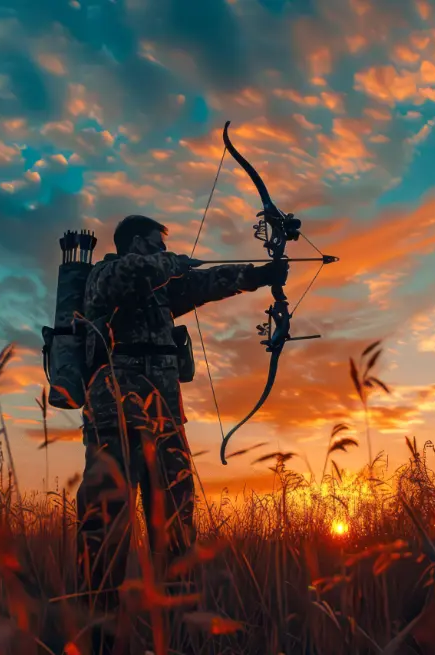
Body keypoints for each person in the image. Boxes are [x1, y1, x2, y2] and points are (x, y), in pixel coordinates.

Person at [75, 214, 287, 653]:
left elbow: (202, 285)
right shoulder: (105, 275)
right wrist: (172, 260)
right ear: (134, 243)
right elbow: (137, 272)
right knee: (106, 537)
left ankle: (176, 638)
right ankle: (98, 642)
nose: (158, 251)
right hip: (114, 419)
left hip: (166, 423)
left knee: (176, 532)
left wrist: (257, 276)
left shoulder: (160, 291)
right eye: (153, 244)